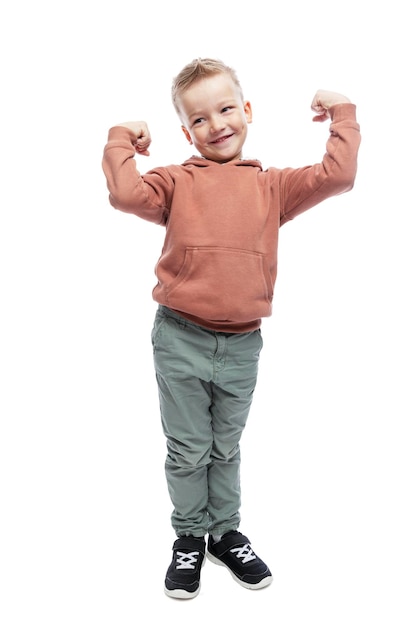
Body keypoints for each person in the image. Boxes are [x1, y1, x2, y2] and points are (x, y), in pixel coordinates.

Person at [102, 57, 361, 600]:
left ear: (246, 111)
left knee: (226, 446)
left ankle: (225, 532)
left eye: (225, 110)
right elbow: (126, 194)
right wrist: (121, 135)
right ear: (185, 131)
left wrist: (341, 110)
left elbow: (338, 175)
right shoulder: (175, 182)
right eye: (199, 119)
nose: (215, 124)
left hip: (242, 344)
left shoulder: (274, 187)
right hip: (180, 338)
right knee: (188, 448)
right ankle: (190, 536)